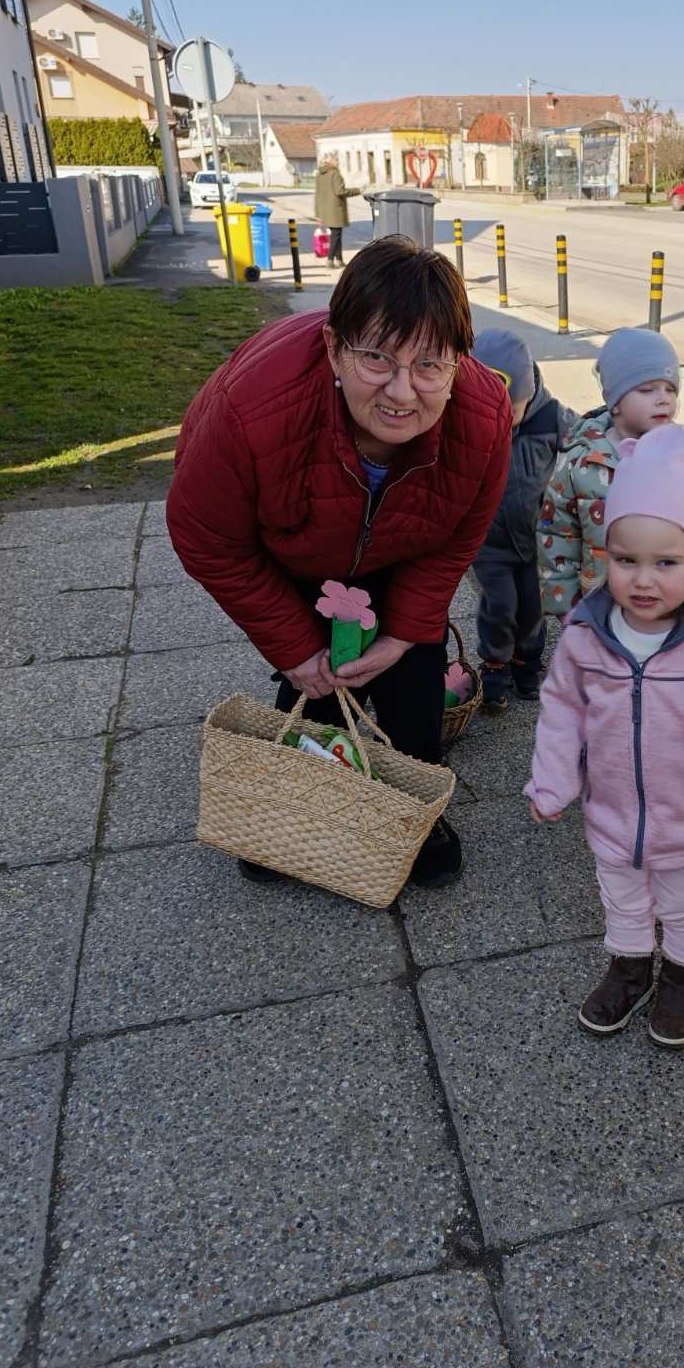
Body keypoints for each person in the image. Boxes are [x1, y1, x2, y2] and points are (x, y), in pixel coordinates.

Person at [168, 237, 512, 889]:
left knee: (411, 679)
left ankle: (409, 811)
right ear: (333, 347)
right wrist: (295, 648)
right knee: (319, 682)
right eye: (376, 358)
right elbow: (205, 534)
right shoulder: (255, 405)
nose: (401, 392)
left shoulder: (485, 417)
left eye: (429, 366)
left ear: (459, 361)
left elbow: (456, 536)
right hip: (294, 544)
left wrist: (408, 628)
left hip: (403, 547)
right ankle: (287, 807)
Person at [526, 424, 684, 1049]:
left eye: (666, 562)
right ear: (604, 557)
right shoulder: (587, 636)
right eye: (626, 560)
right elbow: (561, 710)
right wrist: (553, 779)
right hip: (612, 812)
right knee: (622, 898)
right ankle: (630, 966)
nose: (644, 579)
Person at [539, 326, 684, 616]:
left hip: (678, 612)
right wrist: (569, 609)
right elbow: (558, 533)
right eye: (647, 389)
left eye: (670, 389)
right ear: (615, 402)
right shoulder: (582, 460)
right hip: (602, 610)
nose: (663, 398)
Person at [470, 329, 575, 709]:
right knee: (500, 605)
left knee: (533, 606)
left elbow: (583, 439)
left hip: (536, 538)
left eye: (509, 411)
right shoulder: (471, 418)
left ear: (528, 392)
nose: (502, 421)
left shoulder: (550, 415)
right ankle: (495, 664)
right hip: (489, 542)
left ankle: (526, 662)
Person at [315, 152, 361, 269]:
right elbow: (340, 191)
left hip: (325, 210)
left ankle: (339, 259)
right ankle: (330, 260)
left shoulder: (320, 174)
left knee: (337, 234)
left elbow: (318, 194)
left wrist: (318, 213)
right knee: (336, 235)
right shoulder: (335, 174)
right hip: (335, 210)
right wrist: (358, 190)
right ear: (330, 161)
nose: (338, 162)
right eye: (336, 159)